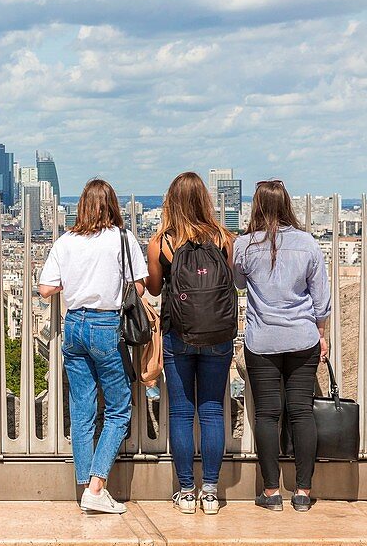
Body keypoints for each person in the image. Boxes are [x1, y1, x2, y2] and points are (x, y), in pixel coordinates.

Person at [38, 179, 147, 515]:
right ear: (112, 205)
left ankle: (86, 486)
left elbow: (45, 289)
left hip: (73, 325)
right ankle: (97, 486)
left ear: (81, 206)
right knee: (118, 408)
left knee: (82, 410)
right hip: (105, 325)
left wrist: (76, 285)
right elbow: (140, 288)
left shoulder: (65, 242)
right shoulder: (122, 239)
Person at [234, 179, 330, 513]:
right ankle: (303, 492)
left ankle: (272, 493)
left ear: (256, 206)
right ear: (287, 204)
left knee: (267, 414)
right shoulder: (308, 244)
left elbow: (239, 284)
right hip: (303, 338)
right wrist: (322, 333)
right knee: (301, 411)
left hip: (262, 340)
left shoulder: (244, 245)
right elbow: (322, 299)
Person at [145, 172, 235, 515]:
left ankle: (185, 491)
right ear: (205, 200)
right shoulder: (225, 238)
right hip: (218, 335)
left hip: (177, 335)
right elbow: (228, 282)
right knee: (212, 411)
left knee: (182, 414)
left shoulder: (162, 243)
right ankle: (210, 491)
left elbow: (154, 289)